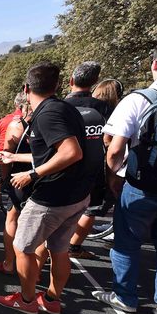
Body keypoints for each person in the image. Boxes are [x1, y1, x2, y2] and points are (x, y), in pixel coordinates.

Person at [93, 39, 157, 314]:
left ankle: (124, 296)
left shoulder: (139, 99)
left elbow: (115, 148)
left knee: (127, 240)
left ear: (155, 64)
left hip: (141, 184)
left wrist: (113, 177)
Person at [0, 62, 90, 314]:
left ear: (26, 89)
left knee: (23, 247)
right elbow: (52, 153)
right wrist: (14, 159)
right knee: (58, 249)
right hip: (76, 196)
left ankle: (26, 301)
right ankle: (51, 299)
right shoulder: (64, 109)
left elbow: (71, 152)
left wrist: (32, 174)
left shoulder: (47, 114)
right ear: (57, 85)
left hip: (52, 197)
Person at [63, 62, 112, 260]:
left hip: (63, 169)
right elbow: (111, 141)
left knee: (58, 209)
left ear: (71, 81)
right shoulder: (105, 108)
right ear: (94, 82)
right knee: (90, 210)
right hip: (94, 170)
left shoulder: (59, 106)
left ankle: (53, 249)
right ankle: (74, 247)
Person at [0, 92, 26, 210]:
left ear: (15, 103)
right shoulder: (29, 119)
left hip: (3, 157)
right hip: (22, 160)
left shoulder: (4, 120)